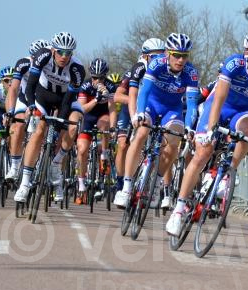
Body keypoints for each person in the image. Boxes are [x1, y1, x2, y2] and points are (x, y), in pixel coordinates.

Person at [165, 30, 248, 236]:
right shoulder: (234, 64)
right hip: (218, 107)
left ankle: (228, 173)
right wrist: (210, 129)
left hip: (242, 111)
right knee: (202, 153)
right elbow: (219, 98)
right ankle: (179, 210)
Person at [116, 33, 199, 209]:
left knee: (174, 142)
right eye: (176, 55)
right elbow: (144, 91)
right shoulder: (157, 64)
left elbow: (192, 104)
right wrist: (139, 113)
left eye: (184, 56)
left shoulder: (191, 73)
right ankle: (126, 187)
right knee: (141, 133)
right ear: (167, 53)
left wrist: (189, 127)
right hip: (151, 105)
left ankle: (156, 183)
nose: (180, 60)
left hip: (172, 110)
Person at [13, 32, 85, 203]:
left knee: (73, 125)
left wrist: (58, 128)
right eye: (60, 52)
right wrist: (31, 106)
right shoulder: (43, 55)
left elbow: (67, 102)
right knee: (38, 131)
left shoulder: (77, 69)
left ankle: (56, 163)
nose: (64, 56)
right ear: (53, 50)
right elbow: (30, 86)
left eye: (68, 53)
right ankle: (24, 183)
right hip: (42, 96)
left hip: (65, 100)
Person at [112, 38, 165, 200]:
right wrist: (135, 106)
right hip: (130, 109)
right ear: (145, 56)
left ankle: (148, 180)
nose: (158, 59)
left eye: (161, 55)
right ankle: (121, 183)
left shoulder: (164, 70)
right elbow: (117, 96)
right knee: (123, 145)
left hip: (151, 109)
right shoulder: (138, 69)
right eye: (154, 56)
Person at [5, 39, 50, 181]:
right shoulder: (23, 63)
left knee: (39, 131)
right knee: (18, 126)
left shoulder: (49, 65)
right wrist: (10, 111)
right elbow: (13, 89)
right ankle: (14, 166)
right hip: (24, 99)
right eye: (34, 57)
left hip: (41, 100)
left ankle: (36, 162)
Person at [76, 58, 116, 200]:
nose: (97, 81)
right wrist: (96, 99)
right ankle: (81, 184)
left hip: (103, 115)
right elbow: (82, 109)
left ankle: (104, 154)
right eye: (94, 77)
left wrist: (113, 128)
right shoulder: (85, 85)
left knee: (105, 124)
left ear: (105, 77)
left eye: (101, 78)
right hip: (88, 116)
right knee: (82, 150)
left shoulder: (111, 86)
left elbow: (112, 109)